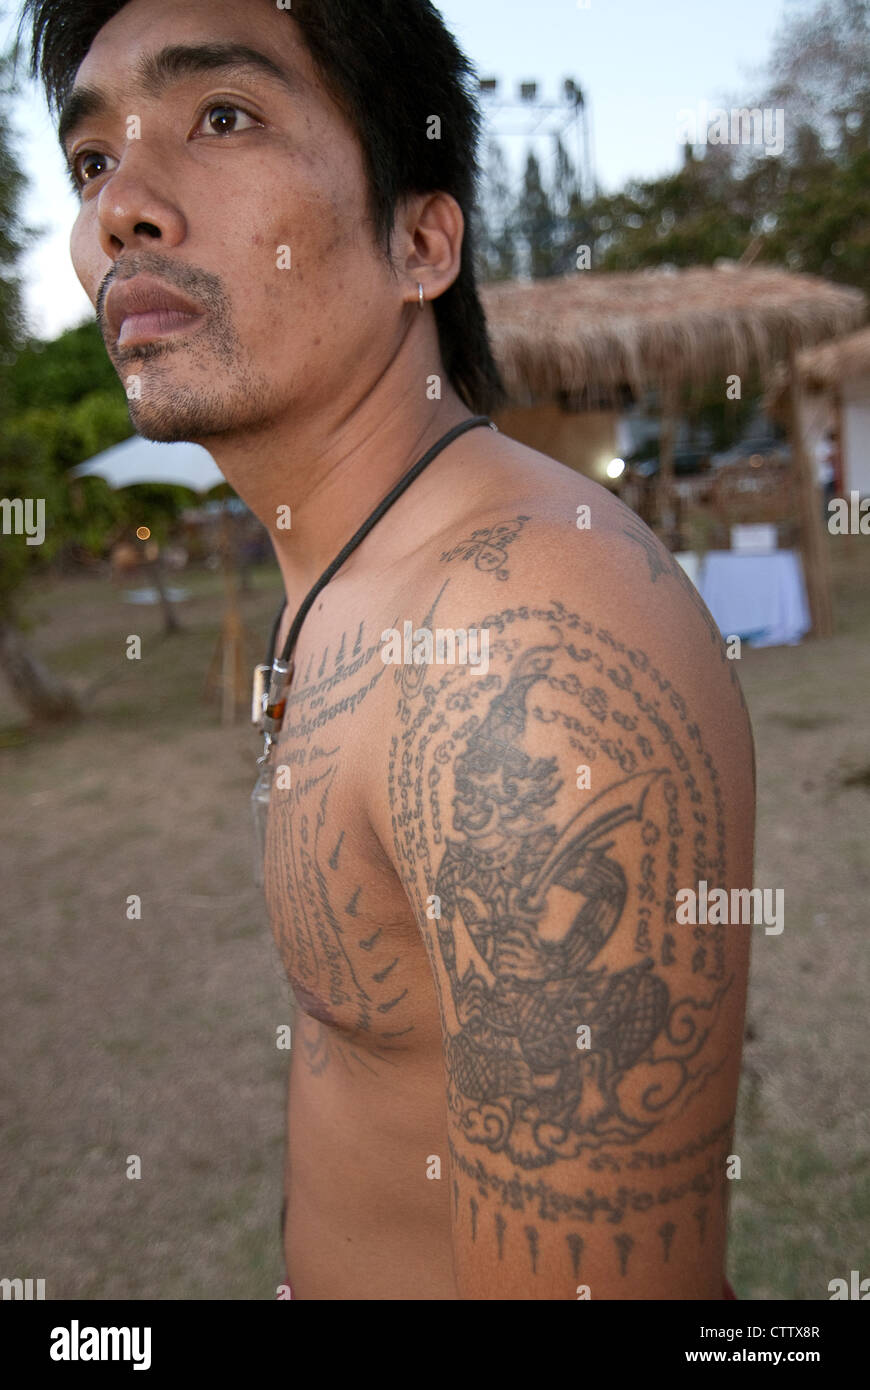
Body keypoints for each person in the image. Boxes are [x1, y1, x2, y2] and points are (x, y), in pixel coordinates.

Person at [24, 0, 755, 1299]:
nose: (119, 207)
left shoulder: (519, 623)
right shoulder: (357, 571)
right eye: (91, 160)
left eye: (223, 116)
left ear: (421, 238)